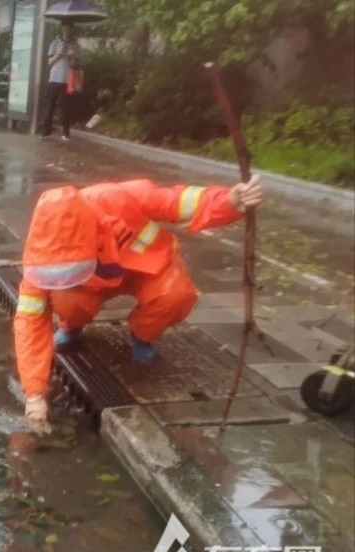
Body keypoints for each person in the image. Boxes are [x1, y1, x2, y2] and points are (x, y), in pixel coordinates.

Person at [15, 175, 265, 423]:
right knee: (67, 301)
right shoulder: (41, 258)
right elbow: (29, 324)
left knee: (176, 295)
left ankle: (142, 335)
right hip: (90, 286)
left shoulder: (118, 197)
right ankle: (72, 325)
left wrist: (229, 201)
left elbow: (178, 201)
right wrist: (35, 395)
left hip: (147, 269)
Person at [41, 22, 79, 140]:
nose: (67, 32)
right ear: (62, 30)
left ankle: (66, 132)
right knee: (50, 105)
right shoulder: (55, 43)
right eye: (65, 29)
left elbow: (74, 65)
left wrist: (70, 56)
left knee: (64, 107)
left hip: (67, 80)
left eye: (70, 29)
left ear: (72, 31)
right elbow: (50, 62)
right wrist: (59, 54)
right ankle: (46, 131)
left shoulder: (75, 45)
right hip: (54, 78)